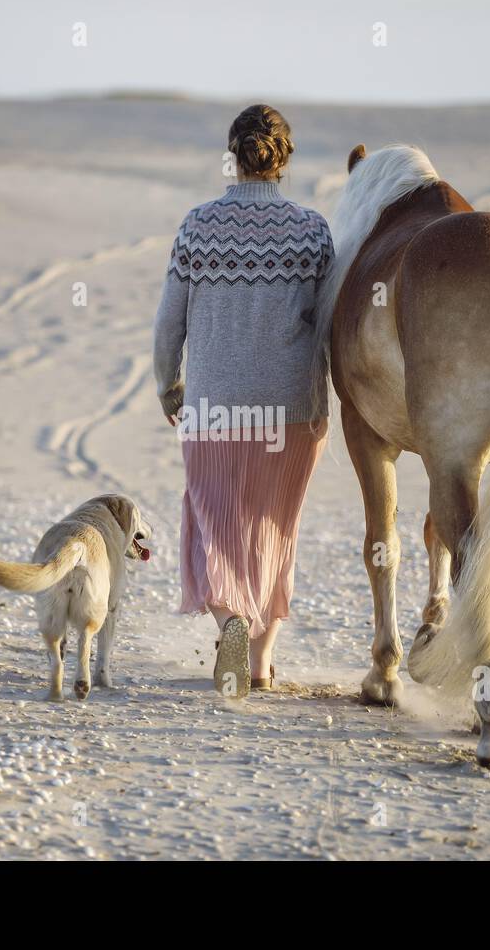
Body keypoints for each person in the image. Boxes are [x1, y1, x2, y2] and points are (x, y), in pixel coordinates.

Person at [152, 103, 333, 697]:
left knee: (213, 525)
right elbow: (330, 323)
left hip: (215, 409)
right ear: (284, 160)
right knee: (275, 529)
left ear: (233, 156)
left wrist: (167, 384)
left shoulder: (198, 225)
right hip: (293, 412)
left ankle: (230, 620)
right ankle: (259, 663)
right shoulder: (312, 231)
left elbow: (168, 322)